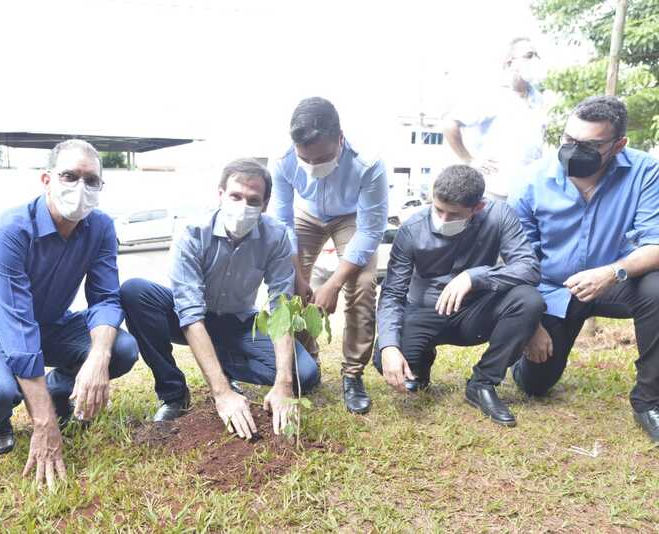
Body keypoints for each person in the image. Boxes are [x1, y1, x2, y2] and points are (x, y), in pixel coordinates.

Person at [0, 139, 139, 488]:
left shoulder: (100, 227)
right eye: (69, 176)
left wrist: (98, 357)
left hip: (51, 325)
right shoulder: (8, 231)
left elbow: (105, 299)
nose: (80, 187)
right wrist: (44, 424)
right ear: (46, 179)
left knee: (121, 349)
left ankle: (55, 392)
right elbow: (16, 326)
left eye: (91, 180)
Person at [120, 158, 320, 439]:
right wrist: (222, 393)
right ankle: (174, 394)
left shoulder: (275, 237)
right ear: (220, 194)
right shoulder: (192, 233)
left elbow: (280, 309)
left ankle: (223, 366)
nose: (243, 206)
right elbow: (190, 313)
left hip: (238, 322)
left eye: (253, 200)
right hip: (188, 319)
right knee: (135, 292)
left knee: (305, 375)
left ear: (265, 204)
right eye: (236, 196)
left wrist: (284, 383)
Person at [510, 96, 659, 443]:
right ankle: (518, 358)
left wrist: (612, 272)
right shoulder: (531, 181)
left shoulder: (646, 172)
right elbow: (516, 261)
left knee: (657, 288)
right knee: (535, 385)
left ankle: (649, 401)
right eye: (569, 140)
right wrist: (530, 324)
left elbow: (656, 243)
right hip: (553, 289)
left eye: (590, 145)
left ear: (618, 145)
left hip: (618, 282)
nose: (575, 150)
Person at [375, 165, 543, 426]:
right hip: (424, 312)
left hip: (475, 312)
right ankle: (420, 363)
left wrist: (474, 277)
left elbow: (528, 268)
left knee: (529, 300)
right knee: (384, 358)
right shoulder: (412, 229)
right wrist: (388, 347)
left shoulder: (499, 215)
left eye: (453, 214)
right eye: (437, 209)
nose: (442, 219)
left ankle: (482, 383)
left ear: (478, 207)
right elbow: (393, 293)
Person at [270, 96, 388, 414]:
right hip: (307, 215)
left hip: (351, 217)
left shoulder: (369, 163)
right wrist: (299, 277)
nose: (312, 166)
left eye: (322, 158)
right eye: (305, 159)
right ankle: (307, 364)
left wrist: (334, 284)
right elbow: (282, 224)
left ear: (340, 138)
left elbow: (370, 231)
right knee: (290, 286)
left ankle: (353, 374)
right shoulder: (282, 160)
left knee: (362, 284)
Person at [442, 37, 548, 200]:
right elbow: (449, 125)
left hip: (527, 194)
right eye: (529, 55)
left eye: (536, 55)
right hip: (493, 192)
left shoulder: (538, 98)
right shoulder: (492, 94)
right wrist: (469, 160)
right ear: (510, 62)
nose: (534, 60)